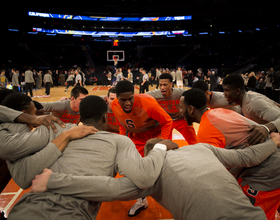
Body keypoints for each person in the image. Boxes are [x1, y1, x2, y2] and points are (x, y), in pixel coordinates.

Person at [2, 96, 176, 220]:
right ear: (104, 117)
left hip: (25, 208)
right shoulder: (119, 141)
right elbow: (144, 178)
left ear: (80, 117)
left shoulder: (53, 129)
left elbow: (23, 176)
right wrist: (160, 147)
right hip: (71, 214)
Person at [30, 135, 280, 220]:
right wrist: (272, 141)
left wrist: (52, 180)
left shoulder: (151, 174)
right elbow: (247, 157)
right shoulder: (203, 148)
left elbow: (110, 188)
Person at [180, 88, 280, 220]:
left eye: (181, 108)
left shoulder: (206, 132)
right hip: (269, 161)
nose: (180, 111)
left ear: (191, 109)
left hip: (267, 172)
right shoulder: (220, 111)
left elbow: (234, 165)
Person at [111, 80, 173, 216]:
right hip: (137, 138)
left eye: (130, 99)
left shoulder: (148, 104)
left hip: (155, 136)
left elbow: (167, 121)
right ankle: (142, 201)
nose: (127, 103)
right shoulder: (114, 105)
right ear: (117, 98)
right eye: (123, 100)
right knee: (137, 172)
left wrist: (162, 142)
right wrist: (123, 141)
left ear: (134, 95)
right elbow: (122, 125)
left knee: (163, 170)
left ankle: (173, 197)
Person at [222, 74, 280, 145]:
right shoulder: (246, 97)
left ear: (237, 91)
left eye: (226, 90)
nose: (224, 94)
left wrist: (266, 128)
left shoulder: (254, 103)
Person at [147, 73, 197, 145]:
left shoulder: (181, 93)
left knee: (194, 142)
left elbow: (196, 94)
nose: (162, 87)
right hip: (167, 122)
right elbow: (139, 98)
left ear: (171, 84)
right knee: (164, 144)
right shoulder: (154, 94)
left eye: (165, 85)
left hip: (182, 120)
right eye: (160, 85)